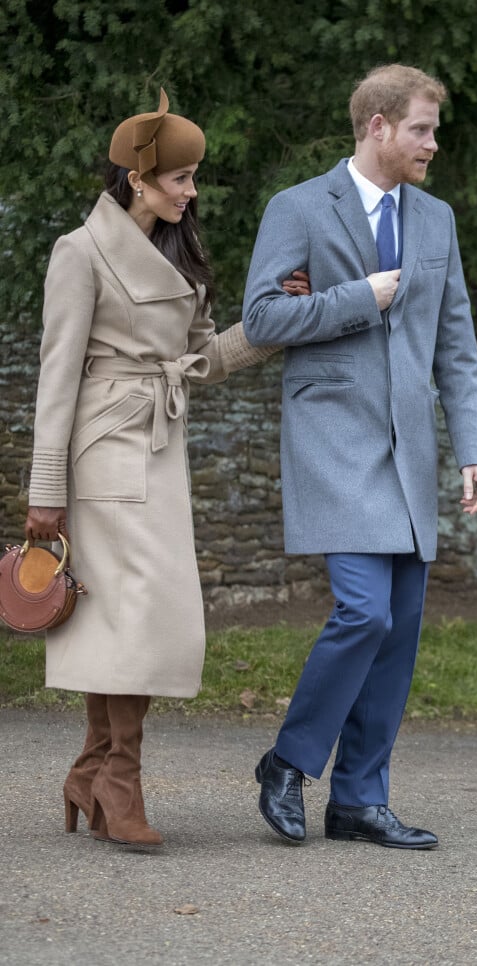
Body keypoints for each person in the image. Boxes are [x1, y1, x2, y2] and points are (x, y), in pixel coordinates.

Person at [25, 88, 308, 848]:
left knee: (132, 618)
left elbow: (202, 361)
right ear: (137, 180)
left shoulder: (179, 251)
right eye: (180, 178)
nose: (192, 191)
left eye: (193, 178)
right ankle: (120, 780)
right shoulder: (78, 253)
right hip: (106, 450)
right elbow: (56, 377)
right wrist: (43, 493)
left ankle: (93, 769)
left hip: (160, 446)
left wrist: (269, 325)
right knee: (130, 617)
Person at [243, 64, 477, 850]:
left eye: (434, 129)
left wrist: (473, 449)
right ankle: (288, 760)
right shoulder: (297, 208)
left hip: (409, 451)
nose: (432, 142)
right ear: (378, 125)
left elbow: (455, 343)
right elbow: (261, 317)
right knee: (364, 610)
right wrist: (363, 297)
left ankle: (357, 800)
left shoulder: (439, 220)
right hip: (333, 441)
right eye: (421, 128)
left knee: (401, 626)